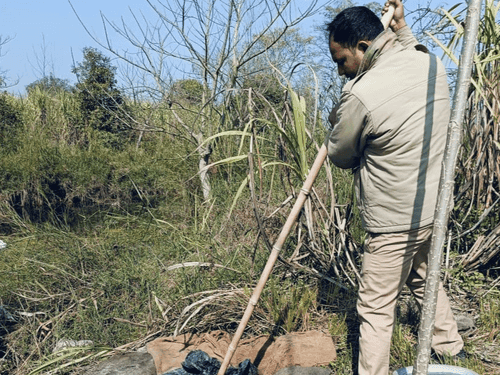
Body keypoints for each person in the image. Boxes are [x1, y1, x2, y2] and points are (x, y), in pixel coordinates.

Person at [324, 0, 465, 374]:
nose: (341, 71)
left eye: (341, 60)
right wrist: (401, 28)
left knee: (375, 306)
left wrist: (341, 109)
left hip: (392, 221)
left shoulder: (361, 95)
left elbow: (339, 154)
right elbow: (408, 48)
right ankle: (450, 347)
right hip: (431, 206)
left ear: (363, 47)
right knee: (424, 274)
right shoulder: (430, 65)